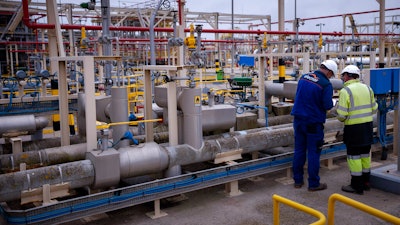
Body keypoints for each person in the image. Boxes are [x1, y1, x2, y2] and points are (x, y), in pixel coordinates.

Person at [291, 59, 337, 191]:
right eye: (331, 74)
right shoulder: (325, 84)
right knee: (313, 152)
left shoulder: (304, 77)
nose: (330, 77)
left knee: (299, 150)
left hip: (298, 119)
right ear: (328, 71)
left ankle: (298, 181)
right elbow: (327, 105)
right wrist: (333, 103)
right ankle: (313, 183)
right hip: (313, 122)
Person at [336, 65, 378, 195]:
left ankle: (356, 186)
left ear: (348, 76)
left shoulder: (345, 91)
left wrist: (336, 112)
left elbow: (342, 116)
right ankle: (366, 183)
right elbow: (374, 108)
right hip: (367, 127)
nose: (342, 78)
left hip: (353, 129)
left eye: (343, 76)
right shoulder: (367, 88)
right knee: (365, 156)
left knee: (354, 158)